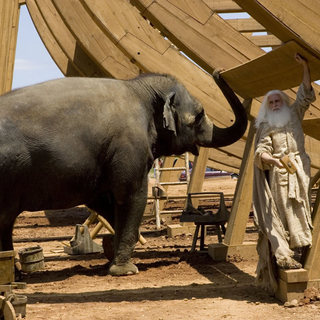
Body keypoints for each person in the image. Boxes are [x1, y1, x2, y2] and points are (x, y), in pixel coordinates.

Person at [252, 53, 316, 293]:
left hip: (300, 171)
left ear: (284, 102)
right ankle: (286, 258)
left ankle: (299, 254)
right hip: (280, 175)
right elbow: (261, 152)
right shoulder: (267, 126)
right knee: (284, 213)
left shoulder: (295, 114)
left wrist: (305, 67)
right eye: (272, 103)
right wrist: (274, 161)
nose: (276, 105)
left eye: (279, 101)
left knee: (301, 210)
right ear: (268, 107)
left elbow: (305, 94)